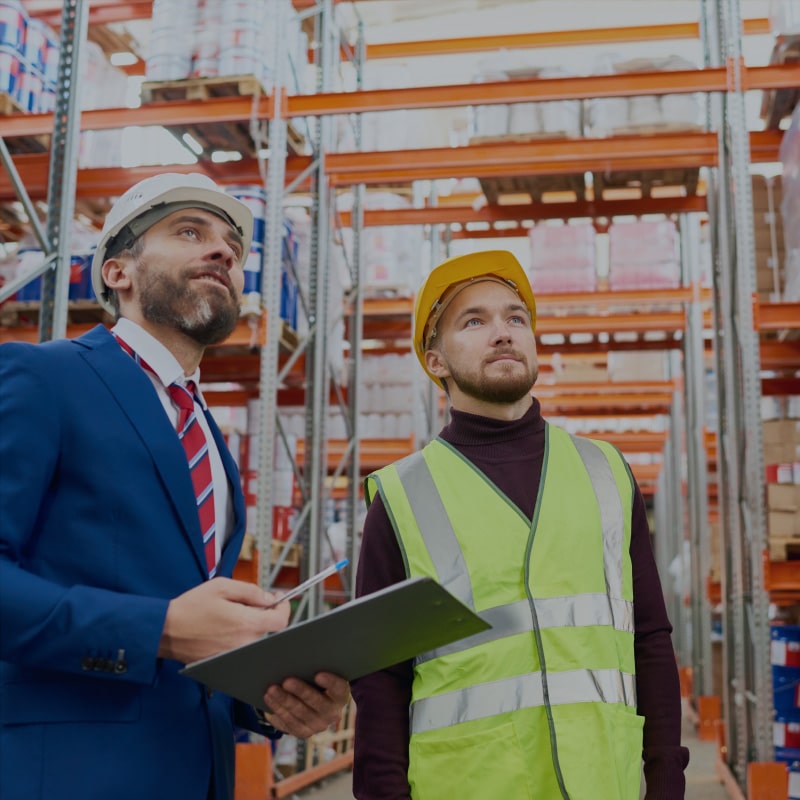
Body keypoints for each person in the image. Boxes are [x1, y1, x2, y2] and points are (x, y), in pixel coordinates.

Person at [0, 173, 350, 800]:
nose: (221, 252)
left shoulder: (211, 442)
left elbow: (194, 643)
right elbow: (167, 626)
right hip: (69, 774)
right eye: (189, 232)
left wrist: (270, 699)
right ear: (118, 273)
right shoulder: (43, 377)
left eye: (233, 250)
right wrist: (156, 628)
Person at [351, 250, 690, 800]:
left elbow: (649, 638)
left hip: (606, 781)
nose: (503, 333)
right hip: (468, 785)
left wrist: (667, 780)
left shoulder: (605, 471)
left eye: (516, 318)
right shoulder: (402, 495)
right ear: (435, 361)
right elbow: (380, 677)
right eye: (474, 321)